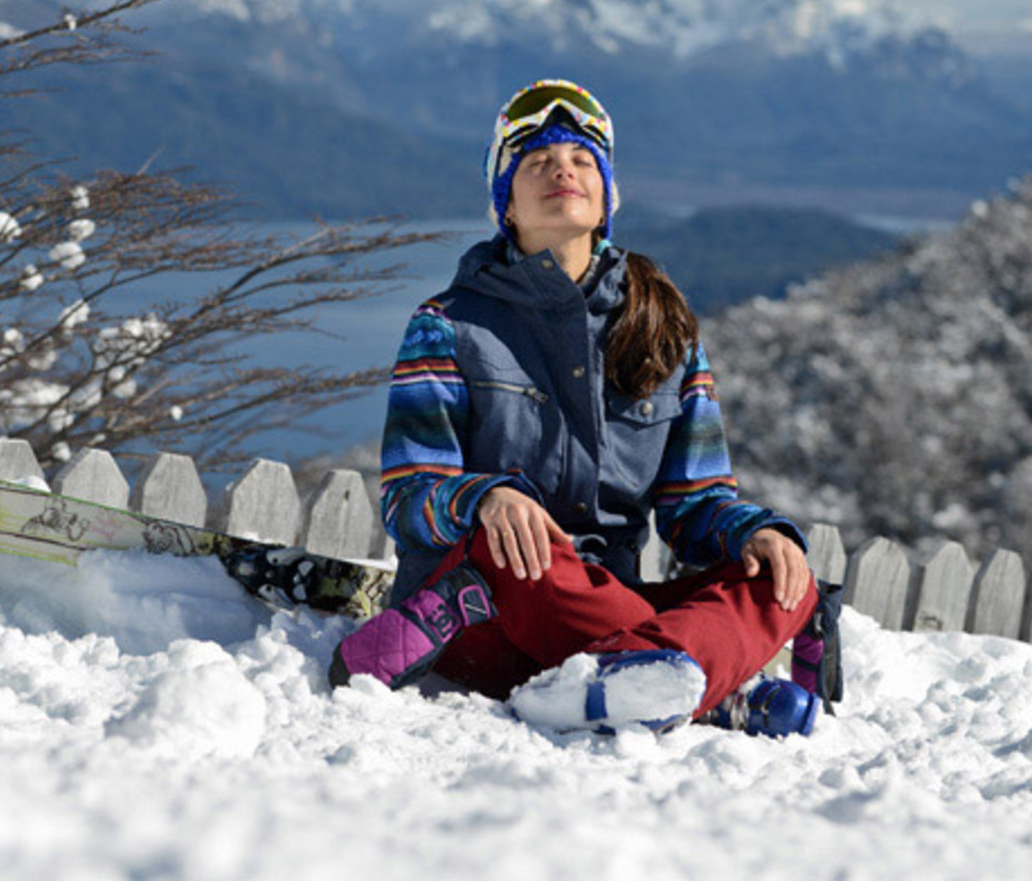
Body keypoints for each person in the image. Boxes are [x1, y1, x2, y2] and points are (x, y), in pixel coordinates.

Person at [331, 79, 837, 736]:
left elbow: (695, 505)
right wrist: (485, 498)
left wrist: (756, 534)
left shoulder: (667, 332)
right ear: (505, 205)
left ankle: (639, 674)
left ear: (605, 201)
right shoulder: (448, 327)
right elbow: (409, 500)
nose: (561, 169)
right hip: (497, 610)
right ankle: (697, 689)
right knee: (519, 540)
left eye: (581, 160)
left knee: (777, 579)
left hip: (605, 604)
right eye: (537, 161)